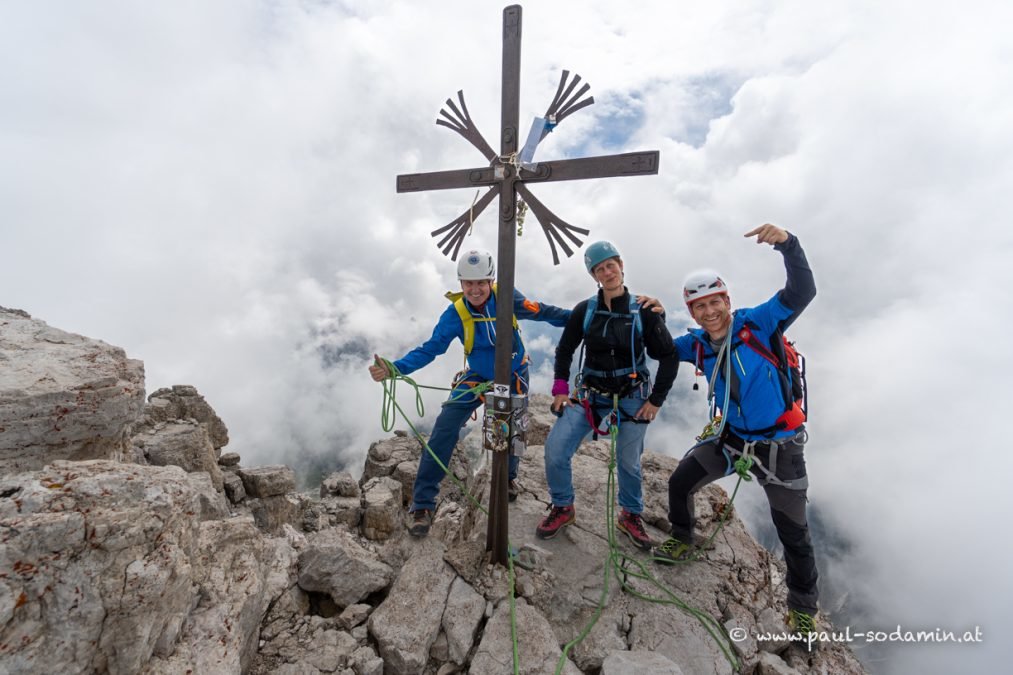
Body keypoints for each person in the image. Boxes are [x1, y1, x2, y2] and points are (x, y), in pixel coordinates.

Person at [655, 223, 819, 635]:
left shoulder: (759, 323)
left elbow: (802, 292)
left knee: (794, 534)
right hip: (731, 439)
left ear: (727, 300)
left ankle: (803, 611)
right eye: (700, 307)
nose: (709, 312)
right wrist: (646, 313)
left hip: (779, 446)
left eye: (715, 302)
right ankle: (681, 537)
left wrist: (788, 244)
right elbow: (655, 348)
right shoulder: (695, 344)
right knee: (680, 482)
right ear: (691, 312)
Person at [369, 249, 569, 537]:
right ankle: (422, 505)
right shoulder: (456, 313)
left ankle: (509, 479)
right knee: (444, 429)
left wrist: (585, 319)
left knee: (510, 435)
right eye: (469, 284)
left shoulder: (507, 299)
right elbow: (431, 348)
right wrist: (394, 369)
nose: (475, 290)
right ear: (461, 284)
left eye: (481, 283)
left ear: (491, 281)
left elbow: (545, 312)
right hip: (477, 379)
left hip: (512, 375)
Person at [536, 241, 678, 551]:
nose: (607, 271)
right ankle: (563, 507)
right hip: (591, 395)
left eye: (610, 265)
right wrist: (560, 390)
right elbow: (565, 349)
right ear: (594, 276)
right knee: (555, 450)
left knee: (628, 463)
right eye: (600, 269)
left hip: (633, 395)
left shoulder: (644, 310)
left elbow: (668, 355)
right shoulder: (585, 311)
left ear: (621, 266)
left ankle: (630, 515)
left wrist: (656, 400)